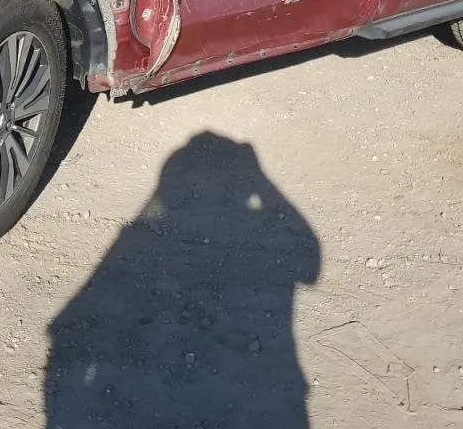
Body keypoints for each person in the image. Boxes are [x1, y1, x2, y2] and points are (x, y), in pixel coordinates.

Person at [45, 131, 320, 428]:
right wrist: (259, 179)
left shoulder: (136, 238)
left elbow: (64, 330)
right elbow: (308, 260)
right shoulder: (141, 237)